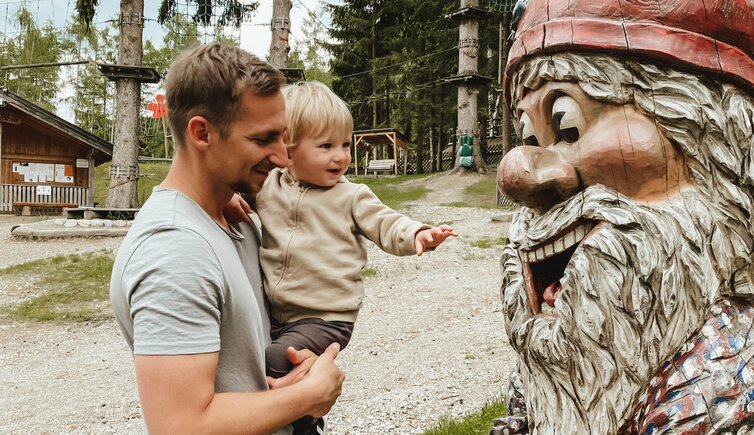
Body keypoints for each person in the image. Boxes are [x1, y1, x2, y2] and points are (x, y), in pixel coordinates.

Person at [493, 0, 754, 433]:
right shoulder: (545, 363)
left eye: (568, 124)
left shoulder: (730, 378)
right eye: (528, 134)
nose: (517, 174)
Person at [109, 44, 344, 435]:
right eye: (263, 139)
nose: (283, 157)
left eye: (282, 137)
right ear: (202, 133)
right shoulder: (175, 252)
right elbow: (179, 426)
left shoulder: (230, 213)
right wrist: (307, 397)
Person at [254, 81, 457, 378]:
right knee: (276, 362)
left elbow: (386, 223)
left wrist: (417, 233)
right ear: (288, 150)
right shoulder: (270, 186)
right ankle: (304, 415)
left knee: (277, 360)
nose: (341, 156)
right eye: (326, 146)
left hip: (327, 318)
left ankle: (302, 422)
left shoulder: (351, 196)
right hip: (276, 312)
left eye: (345, 144)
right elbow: (236, 193)